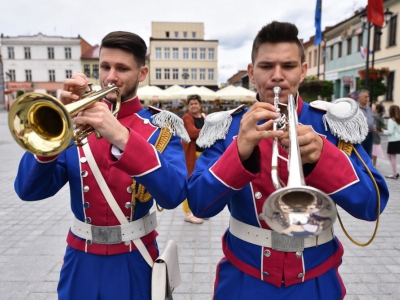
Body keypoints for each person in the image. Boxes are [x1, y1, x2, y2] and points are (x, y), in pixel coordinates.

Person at [187, 21, 389, 299]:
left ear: (303, 71)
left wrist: (324, 158)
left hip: (316, 280)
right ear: (252, 73)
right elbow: (199, 205)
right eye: (267, 66)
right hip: (244, 279)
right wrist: (238, 153)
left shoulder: (331, 125)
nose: (277, 76)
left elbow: (372, 206)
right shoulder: (227, 126)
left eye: (289, 66)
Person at [13, 31, 188, 299]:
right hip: (80, 260)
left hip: (135, 259)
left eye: (122, 68)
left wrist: (121, 136)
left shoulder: (159, 128)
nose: (110, 77)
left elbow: (175, 194)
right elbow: (28, 190)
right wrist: (53, 133)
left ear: (142, 74)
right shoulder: (78, 123)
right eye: (105, 67)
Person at [181, 94, 206, 224]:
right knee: (190, 182)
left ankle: (200, 210)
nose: (194, 106)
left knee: (202, 183)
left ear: (200, 105)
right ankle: (188, 213)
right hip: (192, 155)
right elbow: (192, 133)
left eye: (196, 103)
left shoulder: (203, 117)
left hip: (204, 155)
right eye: (191, 104)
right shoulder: (187, 118)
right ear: (188, 106)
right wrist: (209, 129)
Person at [382, 105, 400, 179]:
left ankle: (394, 173)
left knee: (392, 156)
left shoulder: (391, 120)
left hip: (393, 140)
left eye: (389, 109)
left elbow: (390, 132)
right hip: (398, 139)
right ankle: (394, 173)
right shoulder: (398, 119)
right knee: (390, 155)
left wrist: (384, 131)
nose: (388, 110)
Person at [358, 89, 376, 158]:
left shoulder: (368, 108)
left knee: (368, 155)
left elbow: (372, 118)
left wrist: (374, 125)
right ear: (359, 97)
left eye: (368, 97)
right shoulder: (356, 108)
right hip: (360, 135)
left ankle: (368, 168)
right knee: (360, 155)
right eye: (365, 97)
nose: (367, 99)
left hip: (370, 135)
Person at [372, 103, 386, 167]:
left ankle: (371, 165)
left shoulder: (374, 117)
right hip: (377, 135)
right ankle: (374, 165)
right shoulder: (381, 117)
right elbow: (383, 127)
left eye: (374, 107)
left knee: (372, 151)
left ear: (377, 109)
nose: (373, 108)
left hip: (373, 135)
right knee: (375, 152)